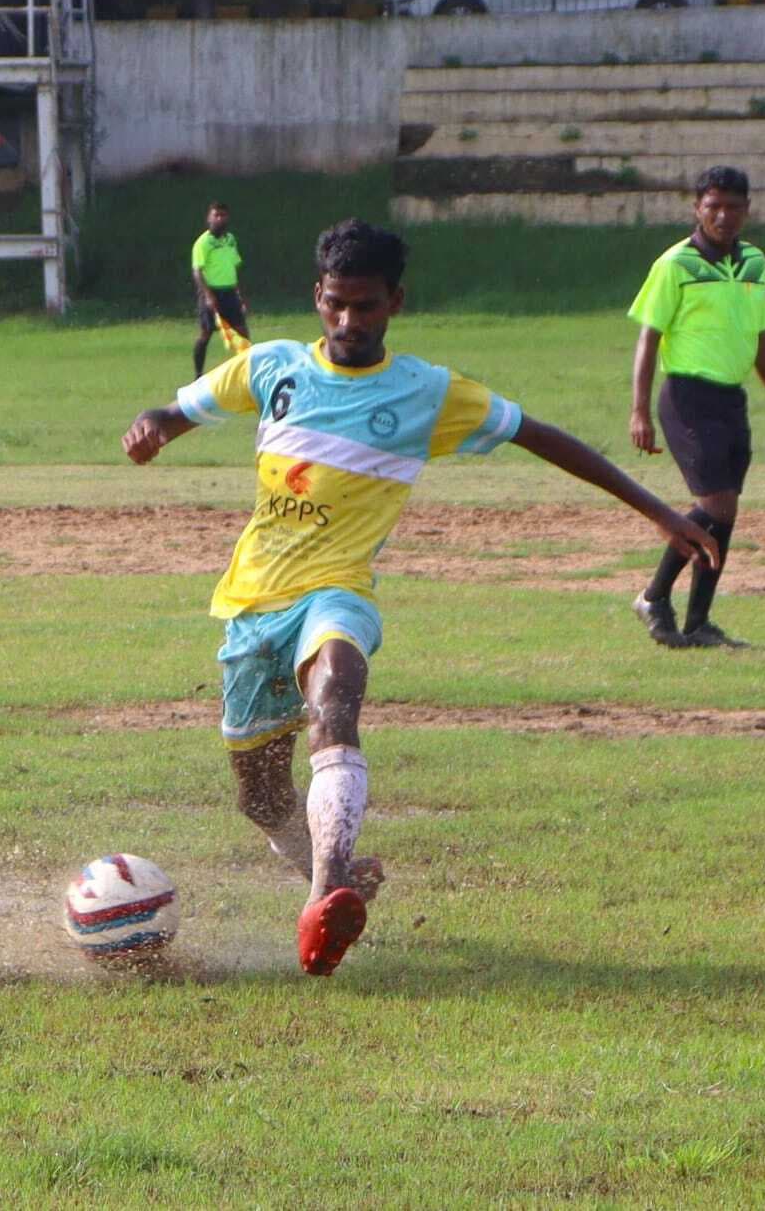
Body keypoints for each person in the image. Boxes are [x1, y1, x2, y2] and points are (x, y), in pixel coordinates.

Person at [124, 218, 716, 977]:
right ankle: (328, 868)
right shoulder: (273, 367)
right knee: (260, 797)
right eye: (336, 304)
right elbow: (180, 410)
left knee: (336, 693)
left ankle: (327, 889)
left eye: (366, 306)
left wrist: (662, 512)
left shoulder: (426, 392)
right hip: (250, 606)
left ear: (395, 302)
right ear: (317, 297)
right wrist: (153, 428)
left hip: (338, 591)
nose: (348, 321)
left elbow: (542, 436)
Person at [628, 166, 765, 648]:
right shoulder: (675, 264)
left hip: (731, 399)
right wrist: (638, 409)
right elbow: (648, 338)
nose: (724, 215)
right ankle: (654, 597)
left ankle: (699, 623)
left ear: (747, 209)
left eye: (733, 206)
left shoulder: (754, 264)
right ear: (697, 208)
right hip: (686, 397)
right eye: (713, 205)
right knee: (715, 504)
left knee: (724, 513)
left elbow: (761, 335)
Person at [191, 200, 251, 377]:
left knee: (242, 331)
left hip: (229, 293)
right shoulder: (203, 243)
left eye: (222, 215)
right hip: (211, 292)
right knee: (205, 334)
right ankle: (198, 374)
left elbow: (235, 267)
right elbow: (197, 271)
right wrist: (208, 295)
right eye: (216, 215)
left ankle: (247, 373)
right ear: (209, 218)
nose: (219, 219)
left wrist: (241, 293)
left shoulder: (230, 240)